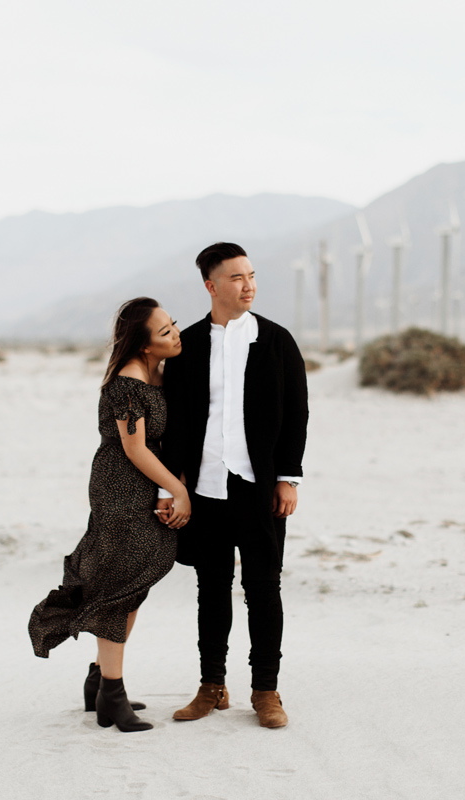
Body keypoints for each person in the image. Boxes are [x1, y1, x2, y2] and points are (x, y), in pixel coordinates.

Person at [159, 243, 308, 729]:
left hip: (258, 486)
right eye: (237, 278)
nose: (249, 285)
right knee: (211, 589)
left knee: (264, 588)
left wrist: (287, 477)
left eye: (252, 275)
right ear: (211, 285)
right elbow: (177, 420)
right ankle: (211, 686)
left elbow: (296, 415)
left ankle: (266, 690)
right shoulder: (188, 344)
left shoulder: (277, 340)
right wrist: (174, 484)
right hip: (205, 489)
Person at [28, 297, 190, 733]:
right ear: (142, 346)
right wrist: (178, 490)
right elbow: (134, 448)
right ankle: (111, 698)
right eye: (164, 332)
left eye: (172, 324)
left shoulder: (158, 371)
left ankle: (100, 681)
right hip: (121, 488)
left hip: (141, 485)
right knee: (121, 585)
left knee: (130, 582)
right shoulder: (127, 384)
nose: (176, 333)